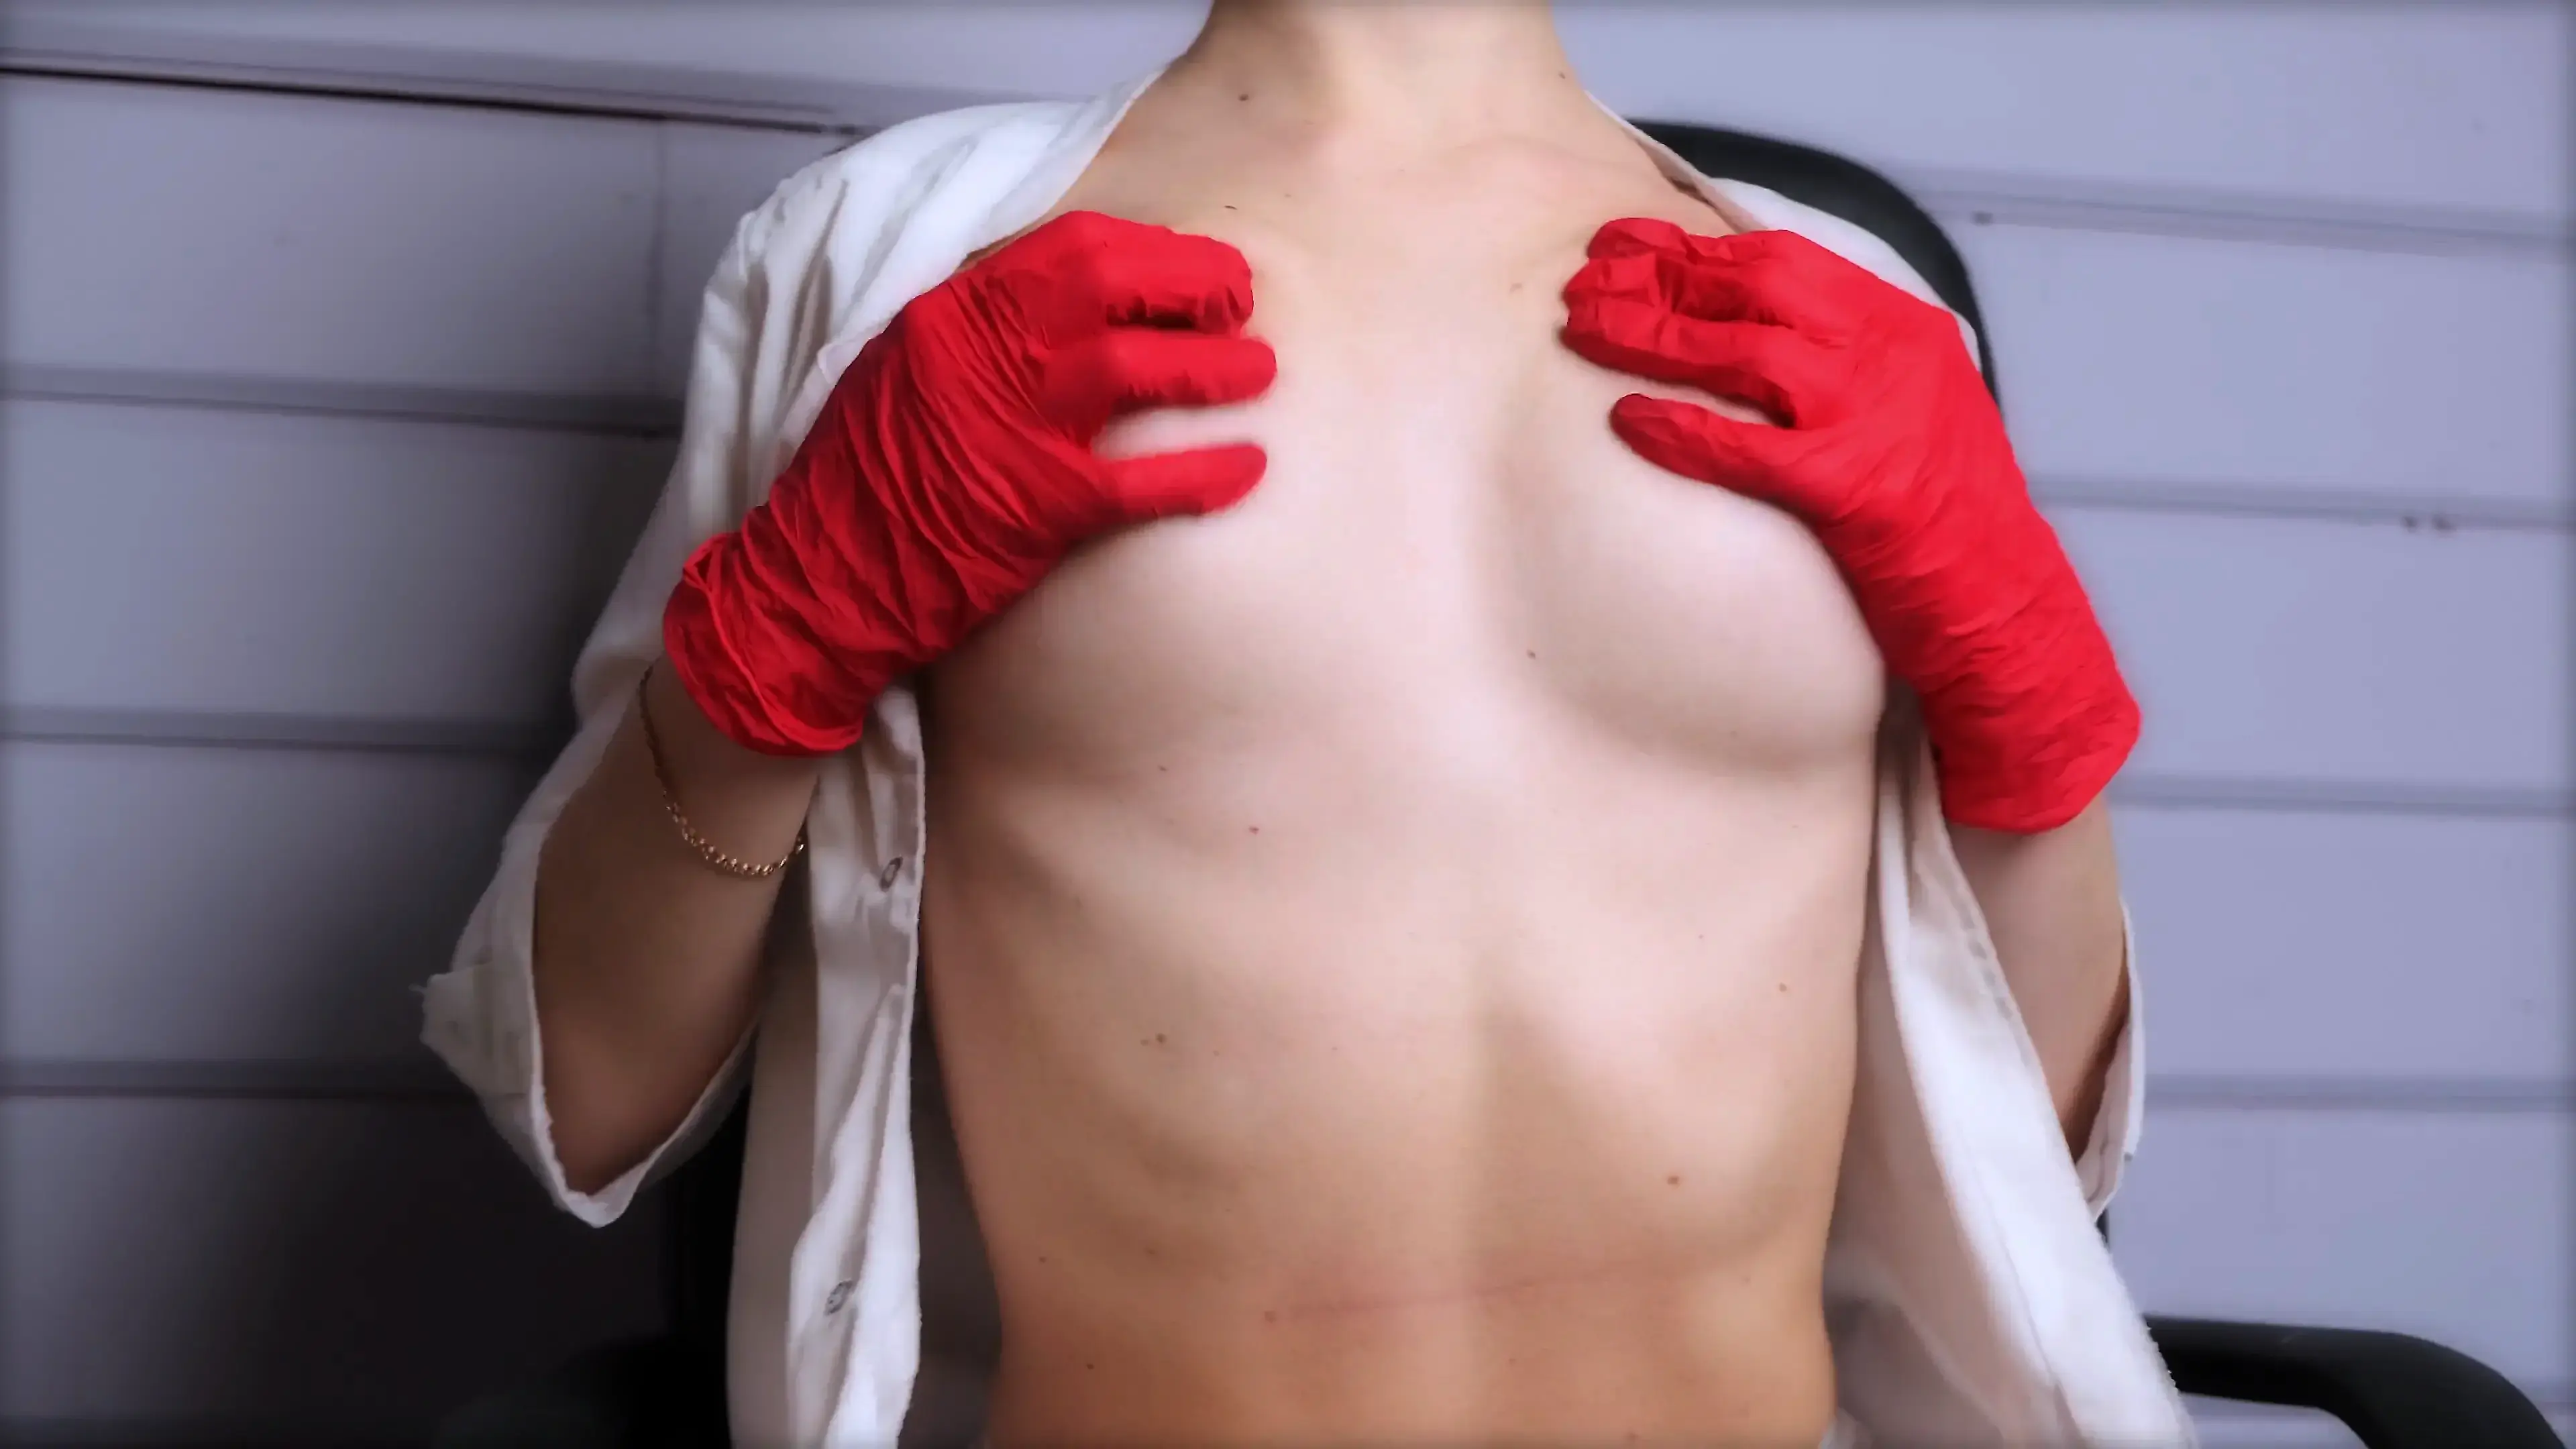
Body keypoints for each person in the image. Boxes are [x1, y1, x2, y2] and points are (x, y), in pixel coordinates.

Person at [425, 2, 2198, 1445]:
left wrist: (2034, 710)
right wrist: (772, 649)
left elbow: (2026, 1159)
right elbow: (581, 1090)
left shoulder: (1853, 307)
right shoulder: (883, 263)